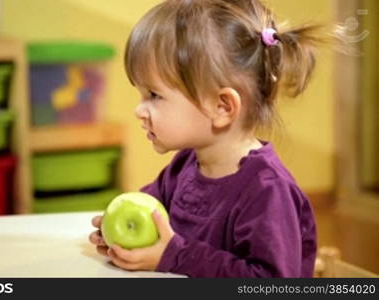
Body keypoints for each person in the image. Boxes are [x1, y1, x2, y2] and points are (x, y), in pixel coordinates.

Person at [89, 0, 325, 277]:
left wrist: (176, 257)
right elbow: (150, 215)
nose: (139, 110)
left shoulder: (267, 191)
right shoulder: (184, 166)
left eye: (154, 95)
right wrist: (116, 233)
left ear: (222, 107)